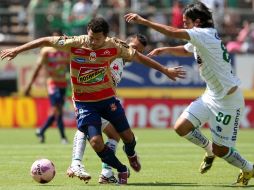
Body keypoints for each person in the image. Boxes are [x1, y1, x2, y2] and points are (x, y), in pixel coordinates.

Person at [0, 17, 186, 185]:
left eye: (97, 39)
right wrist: (18, 49)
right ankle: (114, 168)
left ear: (105, 37)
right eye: (90, 37)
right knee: (96, 141)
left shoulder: (114, 47)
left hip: (107, 100)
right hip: (85, 103)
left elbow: (140, 58)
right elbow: (45, 40)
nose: (92, 42)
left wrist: (165, 71)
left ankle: (129, 154)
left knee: (127, 137)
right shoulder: (76, 43)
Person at [125, 2, 254, 186]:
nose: (183, 25)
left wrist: (144, 21)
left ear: (197, 22)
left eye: (186, 22)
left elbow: (172, 32)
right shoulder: (202, 36)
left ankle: (249, 168)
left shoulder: (203, 34)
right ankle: (209, 150)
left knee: (222, 150)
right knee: (181, 127)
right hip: (211, 95)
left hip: (228, 101)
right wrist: (165, 50)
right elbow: (187, 50)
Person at [67, 33, 149, 184]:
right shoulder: (113, 52)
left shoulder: (123, 60)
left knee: (113, 135)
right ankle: (77, 163)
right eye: (135, 48)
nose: (136, 53)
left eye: (140, 51)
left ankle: (105, 172)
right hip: (88, 98)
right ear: (126, 43)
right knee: (86, 129)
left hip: (102, 100)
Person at [24, 30, 69, 144]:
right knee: (58, 110)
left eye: (58, 38)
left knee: (56, 111)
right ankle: (63, 137)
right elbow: (37, 68)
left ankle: (41, 130)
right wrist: (29, 85)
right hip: (52, 84)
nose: (55, 41)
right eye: (53, 38)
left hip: (63, 84)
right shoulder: (46, 51)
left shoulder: (67, 51)